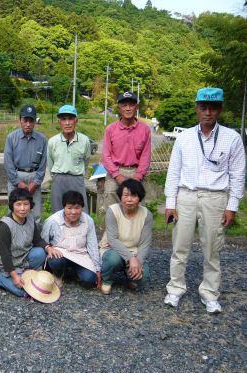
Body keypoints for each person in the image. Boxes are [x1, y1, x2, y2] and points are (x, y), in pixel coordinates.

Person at [163, 88, 245, 314]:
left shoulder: (232, 138)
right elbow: (174, 171)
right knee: (180, 246)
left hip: (215, 197)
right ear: (196, 108)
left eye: (213, 107)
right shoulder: (185, 137)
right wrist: (171, 202)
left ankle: (210, 293)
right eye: (203, 107)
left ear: (220, 109)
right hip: (186, 195)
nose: (207, 112)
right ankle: (175, 288)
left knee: (212, 249)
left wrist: (232, 205)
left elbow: (238, 174)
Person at [0, 188, 48, 297]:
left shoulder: (30, 218)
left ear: (30, 205)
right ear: (12, 205)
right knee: (23, 292)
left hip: (22, 258)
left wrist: (48, 248)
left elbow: (37, 240)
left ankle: (23, 274)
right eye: (18, 204)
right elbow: (5, 254)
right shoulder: (5, 225)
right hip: (5, 264)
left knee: (41, 252)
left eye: (26, 204)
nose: (23, 208)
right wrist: (14, 276)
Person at [99, 179, 153, 295]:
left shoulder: (147, 215)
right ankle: (107, 280)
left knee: (143, 276)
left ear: (140, 198)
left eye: (134, 196)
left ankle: (130, 277)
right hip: (113, 248)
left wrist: (138, 261)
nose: (129, 199)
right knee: (112, 259)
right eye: (126, 195)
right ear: (120, 197)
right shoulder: (112, 211)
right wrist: (131, 259)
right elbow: (112, 239)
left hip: (134, 251)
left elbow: (145, 242)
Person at [101, 92, 151, 210]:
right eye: (124, 105)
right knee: (112, 210)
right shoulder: (110, 129)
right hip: (115, 172)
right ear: (119, 109)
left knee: (137, 209)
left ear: (136, 107)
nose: (128, 108)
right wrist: (117, 176)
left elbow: (146, 156)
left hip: (136, 172)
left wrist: (138, 177)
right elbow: (105, 156)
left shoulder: (145, 129)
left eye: (131, 105)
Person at [41, 191, 101, 288]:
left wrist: (98, 270)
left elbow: (92, 245)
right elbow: (42, 241)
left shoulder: (88, 221)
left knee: (90, 280)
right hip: (60, 254)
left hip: (80, 254)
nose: (73, 212)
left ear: (82, 207)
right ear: (64, 207)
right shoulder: (52, 221)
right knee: (56, 261)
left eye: (77, 208)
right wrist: (49, 249)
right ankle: (58, 274)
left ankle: (73, 271)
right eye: (69, 208)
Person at [4, 104, 47, 223]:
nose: (28, 124)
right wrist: (18, 182)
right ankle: (14, 239)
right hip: (16, 176)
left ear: (35, 121)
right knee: (15, 211)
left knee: (36, 214)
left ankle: (35, 240)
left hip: (34, 178)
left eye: (31, 121)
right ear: (20, 121)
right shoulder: (11, 138)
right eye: (25, 120)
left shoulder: (42, 139)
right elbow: (8, 163)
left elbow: (43, 164)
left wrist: (36, 182)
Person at [47, 105, 91, 214]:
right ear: (59, 122)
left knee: (81, 212)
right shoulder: (53, 141)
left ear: (76, 121)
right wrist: (56, 177)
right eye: (63, 119)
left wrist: (77, 172)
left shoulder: (84, 140)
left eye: (70, 119)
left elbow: (85, 161)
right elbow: (50, 162)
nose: (67, 123)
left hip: (77, 179)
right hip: (59, 179)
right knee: (58, 213)